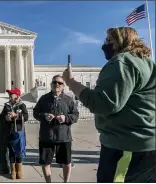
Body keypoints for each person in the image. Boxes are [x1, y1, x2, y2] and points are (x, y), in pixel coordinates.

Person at [63, 27, 156, 182]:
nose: (104, 45)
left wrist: (71, 82)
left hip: (126, 146)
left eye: (108, 40)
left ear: (121, 41)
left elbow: (103, 103)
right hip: (147, 145)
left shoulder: (122, 62)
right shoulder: (148, 63)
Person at [33, 75, 79, 183]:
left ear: (63, 86)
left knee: (66, 162)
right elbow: (35, 113)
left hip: (64, 137)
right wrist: (44, 116)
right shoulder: (44, 99)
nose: (57, 84)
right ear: (51, 84)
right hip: (46, 136)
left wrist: (66, 118)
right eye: (54, 82)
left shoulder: (68, 100)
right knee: (45, 162)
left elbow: (76, 115)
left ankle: (66, 181)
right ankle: (48, 182)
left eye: (59, 83)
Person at [0, 88, 28, 180]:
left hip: (18, 131)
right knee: (11, 151)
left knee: (18, 150)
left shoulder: (21, 105)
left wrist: (16, 115)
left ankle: (19, 170)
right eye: (9, 93)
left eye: (12, 93)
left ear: (17, 95)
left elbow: (26, 116)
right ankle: (13, 171)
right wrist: (6, 117)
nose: (10, 95)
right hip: (9, 131)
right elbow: (1, 116)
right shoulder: (7, 105)